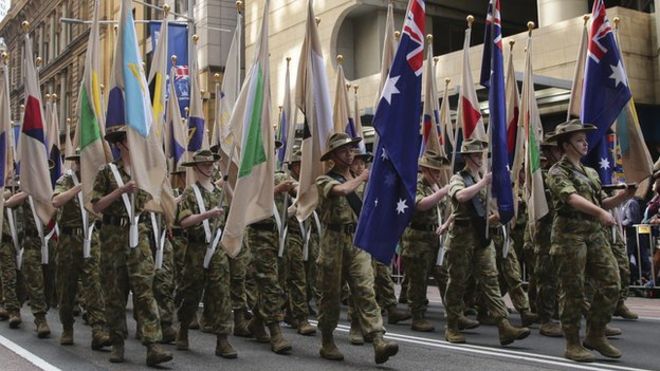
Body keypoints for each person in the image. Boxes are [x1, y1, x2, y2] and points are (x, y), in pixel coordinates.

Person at [546, 119, 633, 362]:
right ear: (566, 145)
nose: (585, 143)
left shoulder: (591, 172)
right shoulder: (557, 171)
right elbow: (571, 199)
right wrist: (600, 213)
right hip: (569, 236)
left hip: (594, 234)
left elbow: (602, 203)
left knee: (612, 282)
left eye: (585, 139)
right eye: (579, 140)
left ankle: (595, 333)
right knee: (572, 290)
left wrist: (624, 196)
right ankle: (572, 343)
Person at [91, 126, 172, 366]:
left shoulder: (144, 172)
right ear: (119, 144)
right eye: (129, 139)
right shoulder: (107, 172)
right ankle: (117, 344)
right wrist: (121, 191)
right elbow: (97, 206)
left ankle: (153, 345)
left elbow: (156, 201)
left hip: (140, 237)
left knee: (145, 291)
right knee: (115, 294)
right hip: (113, 238)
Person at [315, 132, 398, 364]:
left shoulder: (360, 179)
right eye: (344, 150)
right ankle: (327, 340)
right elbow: (342, 191)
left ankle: (378, 340)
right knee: (330, 294)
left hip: (356, 240)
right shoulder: (325, 179)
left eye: (351, 149)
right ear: (332, 156)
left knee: (365, 288)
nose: (349, 154)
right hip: (333, 240)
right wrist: (362, 177)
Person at [443, 138, 530, 345]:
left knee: (491, 280)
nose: (480, 159)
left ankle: (503, 325)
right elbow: (462, 197)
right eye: (475, 155)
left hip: (482, 237)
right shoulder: (459, 178)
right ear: (466, 157)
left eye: (481, 155)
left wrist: (497, 216)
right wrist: (483, 182)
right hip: (461, 240)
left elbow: (485, 209)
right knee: (457, 283)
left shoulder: (481, 178)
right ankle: (452, 325)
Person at [176, 149, 236, 358]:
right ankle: (183, 328)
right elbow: (184, 222)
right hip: (196, 248)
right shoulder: (190, 192)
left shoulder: (218, 192)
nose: (210, 167)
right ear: (197, 167)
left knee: (221, 293)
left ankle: (223, 340)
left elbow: (233, 209)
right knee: (191, 292)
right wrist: (208, 214)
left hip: (217, 248)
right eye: (206, 164)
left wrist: (226, 184)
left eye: (212, 163)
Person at [51, 149, 111, 349]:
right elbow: (56, 201)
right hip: (69, 240)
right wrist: (79, 187)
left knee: (94, 285)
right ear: (75, 163)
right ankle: (67, 327)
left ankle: (99, 331)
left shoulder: (98, 181)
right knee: (67, 288)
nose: (82, 164)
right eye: (79, 161)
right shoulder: (65, 180)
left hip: (91, 238)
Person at [400, 150, 455, 332]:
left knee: (445, 276)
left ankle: (455, 314)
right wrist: (443, 192)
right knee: (418, 280)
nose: (438, 174)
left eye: (439, 171)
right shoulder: (416, 184)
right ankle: (418, 316)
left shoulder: (435, 186)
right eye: (434, 170)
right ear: (424, 169)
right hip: (417, 240)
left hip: (434, 239)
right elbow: (420, 204)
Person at [278, 150, 316, 336]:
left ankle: (290, 309)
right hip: (291, 235)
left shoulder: (308, 184)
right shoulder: (285, 182)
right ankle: (301, 319)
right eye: (300, 164)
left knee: (310, 278)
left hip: (308, 236)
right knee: (297, 278)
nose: (303, 167)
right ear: (293, 166)